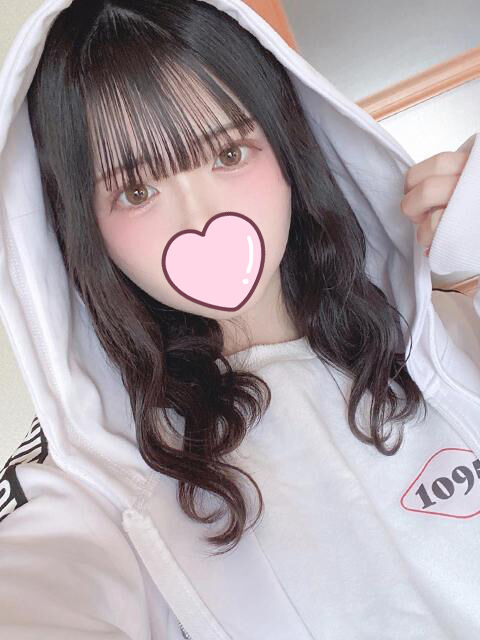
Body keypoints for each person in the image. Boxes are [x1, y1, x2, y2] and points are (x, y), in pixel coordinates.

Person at [0, 0, 480, 637]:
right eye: (137, 191)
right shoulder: (97, 469)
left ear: (287, 146)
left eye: (228, 153)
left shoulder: (452, 333)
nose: (201, 219)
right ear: (86, 230)